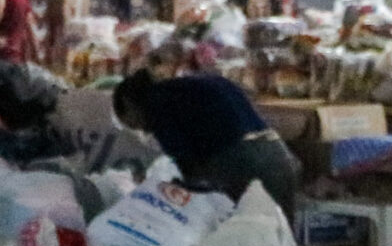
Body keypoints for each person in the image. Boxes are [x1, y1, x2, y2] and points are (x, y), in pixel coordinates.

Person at [113, 66, 300, 218]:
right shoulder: (196, 84)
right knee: (282, 241)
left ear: (130, 105)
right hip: (279, 155)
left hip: (241, 163)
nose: (143, 130)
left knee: (240, 236)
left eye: (133, 123)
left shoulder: (156, 103)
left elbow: (187, 165)